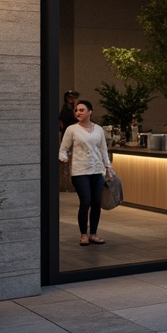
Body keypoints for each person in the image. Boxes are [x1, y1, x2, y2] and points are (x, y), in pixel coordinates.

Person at [58, 100, 114, 246]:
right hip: (80, 170)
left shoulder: (99, 130)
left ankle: (93, 234)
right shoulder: (72, 129)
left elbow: (103, 149)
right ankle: (83, 234)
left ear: (90, 112)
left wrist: (107, 167)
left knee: (96, 202)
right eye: (76, 110)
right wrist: (63, 158)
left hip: (97, 170)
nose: (78, 112)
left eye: (82, 110)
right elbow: (63, 148)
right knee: (86, 201)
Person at [58, 89, 80, 192]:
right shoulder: (67, 109)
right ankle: (67, 185)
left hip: (74, 137)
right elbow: (75, 118)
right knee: (67, 162)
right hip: (69, 137)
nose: (73, 99)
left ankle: (70, 185)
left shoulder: (73, 108)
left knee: (72, 162)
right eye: (71, 97)